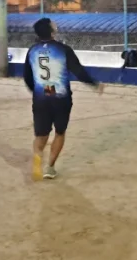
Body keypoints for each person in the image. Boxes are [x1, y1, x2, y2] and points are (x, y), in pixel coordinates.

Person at [23, 17, 103, 180]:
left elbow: (27, 76)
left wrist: (37, 92)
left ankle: (37, 160)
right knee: (60, 132)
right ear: (52, 31)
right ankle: (50, 168)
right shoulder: (63, 49)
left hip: (41, 98)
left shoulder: (32, 51)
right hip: (61, 98)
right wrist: (94, 83)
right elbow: (78, 71)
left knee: (41, 135)